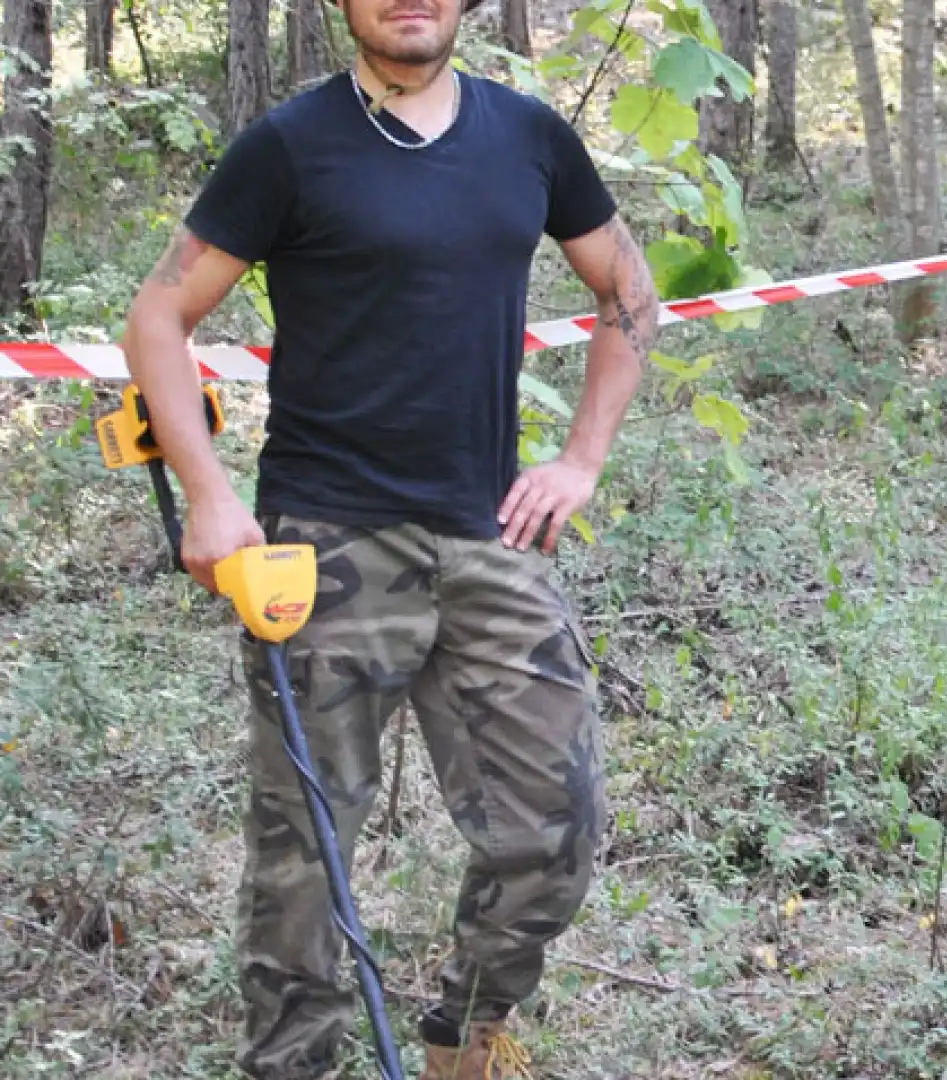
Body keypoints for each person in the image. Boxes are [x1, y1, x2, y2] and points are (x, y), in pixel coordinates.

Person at [118, 0, 660, 1074]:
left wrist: (581, 460)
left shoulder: (531, 137)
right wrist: (213, 497)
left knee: (556, 826)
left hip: (487, 536)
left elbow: (627, 290)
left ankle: (469, 1035)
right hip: (324, 545)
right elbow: (157, 317)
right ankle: (295, 1064)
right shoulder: (289, 145)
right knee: (303, 858)